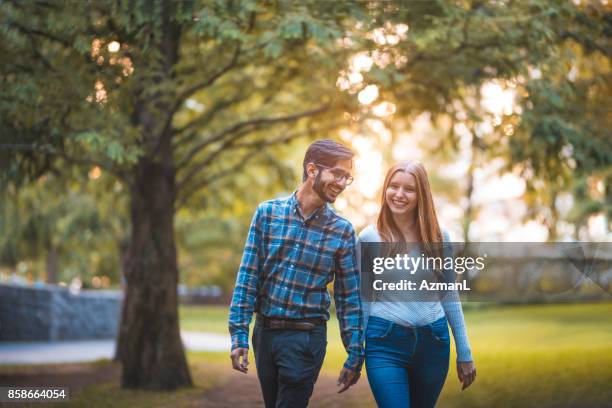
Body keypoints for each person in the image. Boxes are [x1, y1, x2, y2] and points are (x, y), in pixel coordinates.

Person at [228, 139, 364, 408]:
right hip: (265, 335)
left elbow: (349, 299)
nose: (342, 183)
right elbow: (248, 277)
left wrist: (355, 352)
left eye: (347, 177)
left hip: (306, 338)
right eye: (338, 174)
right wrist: (239, 334)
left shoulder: (342, 231)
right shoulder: (267, 214)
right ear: (312, 169)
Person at [359, 160, 476, 408]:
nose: (399, 194)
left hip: (433, 342)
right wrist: (356, 350)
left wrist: (464, 352)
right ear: (385, 190)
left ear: (421, 194)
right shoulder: (369, 237)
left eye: (409, 189)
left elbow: (449, 295)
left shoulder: (438, 237)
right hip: (384, 342)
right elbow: (364, 299)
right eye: (394, 186)